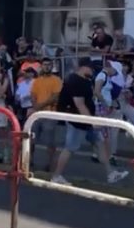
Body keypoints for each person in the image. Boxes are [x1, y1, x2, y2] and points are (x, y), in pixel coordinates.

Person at [50, 57, 126, 185]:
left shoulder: (85, 80)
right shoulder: (75, 80)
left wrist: (92, 118)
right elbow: (79, 104)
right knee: (69, 148)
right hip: (77, 120)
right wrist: (91, 120)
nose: (92, 71)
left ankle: (111, 173)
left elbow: (87, 101)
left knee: (99, 143)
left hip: (87, 119)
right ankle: (56, 175)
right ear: (84, 67)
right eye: (91, 68)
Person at [29, 58, 63, 172]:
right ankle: (29, 160)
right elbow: (33, 95)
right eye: (44, 65)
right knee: (31, 138)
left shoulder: (56, 80)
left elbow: (55, 97)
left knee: (50, 142)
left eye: (49, 65)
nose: (47, 67)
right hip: (37, 115)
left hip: (50, 114)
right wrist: (36, 106)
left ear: (51, 66)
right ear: (41, 66)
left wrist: (40, 105)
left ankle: (51, 164)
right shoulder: (36, 81)